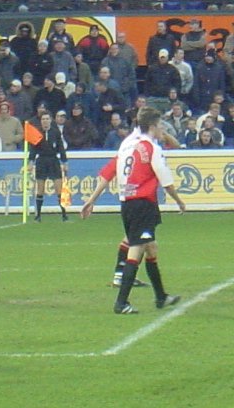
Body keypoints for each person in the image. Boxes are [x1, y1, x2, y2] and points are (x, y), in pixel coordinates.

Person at [81, 107, 186, 314]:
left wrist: (91, 199)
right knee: (137, 249)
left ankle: (161, 297)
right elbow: (165, 180)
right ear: (153, 126)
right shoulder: (151, 148)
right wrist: (179, 201)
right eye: (161, 126)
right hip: (142, 203)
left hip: (127, 203)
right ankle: (121, 302)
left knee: (151, 247)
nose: (162, 130)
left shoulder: (126, 145)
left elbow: (110, 172)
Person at [27, 112, 69, 221]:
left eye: (47, 118)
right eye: (43, 119)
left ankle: (64, 214)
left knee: (59, 188)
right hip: (41, 161)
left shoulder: (55, 132)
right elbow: (33, 148)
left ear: (50, 120)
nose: (45, 121)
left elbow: (61, 148)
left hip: (53, 160)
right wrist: (31, 161)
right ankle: (38, 215)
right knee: (40, 188)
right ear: (41, 121)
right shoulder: (37, 133)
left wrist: (64, 162)